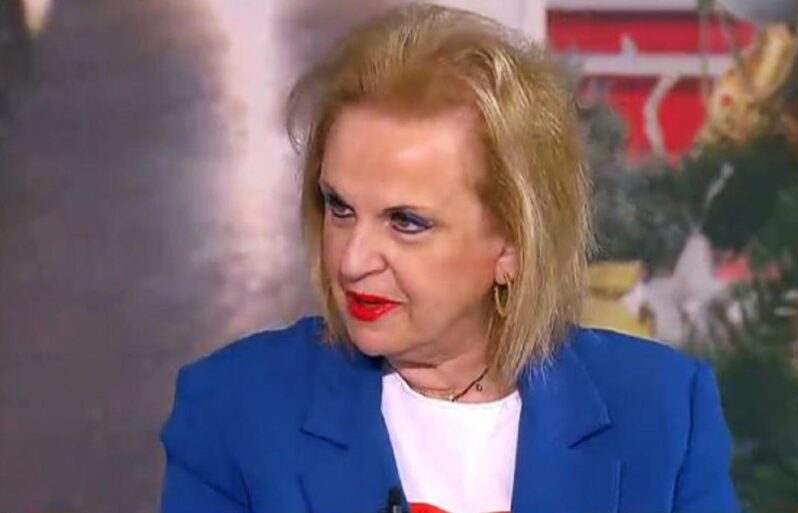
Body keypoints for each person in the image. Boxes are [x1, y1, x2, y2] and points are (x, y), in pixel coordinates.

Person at [159, 4, 740, 513]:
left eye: (406, 222)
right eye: (340, 208)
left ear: (513, 244)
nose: (353, 260)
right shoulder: (236, 409)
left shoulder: (662, 412)